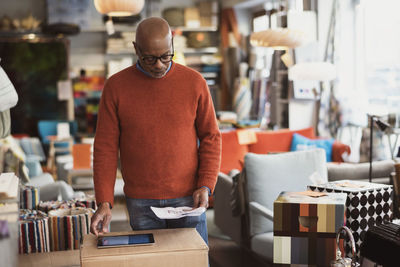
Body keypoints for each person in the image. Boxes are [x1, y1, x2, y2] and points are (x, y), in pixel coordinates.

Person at [89, 17, 221, 244]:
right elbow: (105, 148)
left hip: (189, 198)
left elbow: (211, 137)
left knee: (191, 260)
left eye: (165, 56)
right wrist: (104, 201)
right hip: (141, 201)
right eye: (149, 58)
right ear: (136, 49)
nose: (159, 64)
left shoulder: (195, 83)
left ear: (172, 46)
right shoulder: (116, 87)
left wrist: (206, 184)